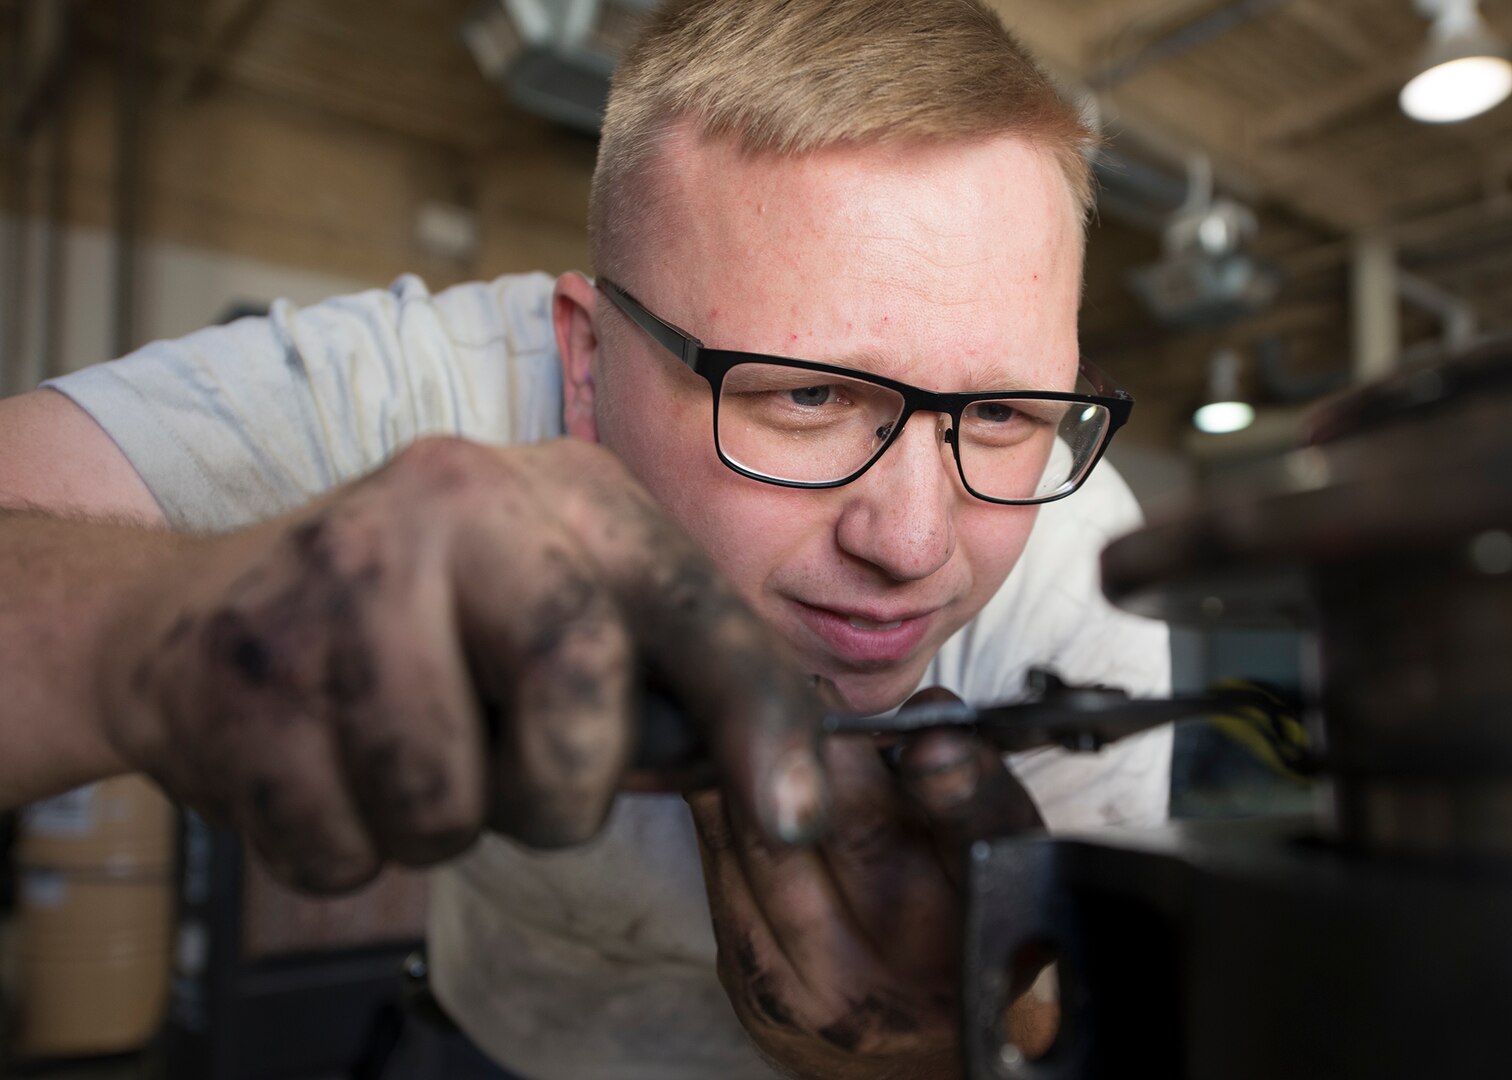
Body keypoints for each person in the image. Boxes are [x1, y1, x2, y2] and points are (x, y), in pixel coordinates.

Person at [0, 1, 1172, 1077]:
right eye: (804, 398)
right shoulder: (430, 403)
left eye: (1006, 412)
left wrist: (958, 1054)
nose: (915, 543)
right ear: (585, 358)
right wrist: (154, 634)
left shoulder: (1087, 574)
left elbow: (1086, 1026)